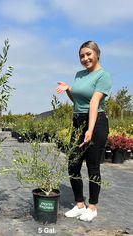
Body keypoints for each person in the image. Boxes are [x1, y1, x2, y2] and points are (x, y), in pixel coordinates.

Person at [56, 40, 112, 222]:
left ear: (97, 54)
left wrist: (90, 129)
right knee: (73, 164)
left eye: (88, 54)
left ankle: (92, 207)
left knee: (93, 166)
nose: (85, 58)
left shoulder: (103, 76)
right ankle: (79, 205)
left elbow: (94, 103)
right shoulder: (79, 75)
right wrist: (68, 90)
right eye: (82, 56)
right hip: (78, 122)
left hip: (96, 123)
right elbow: (78, 102)